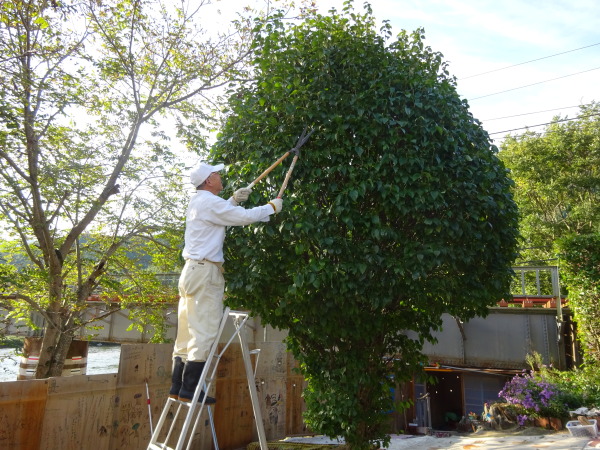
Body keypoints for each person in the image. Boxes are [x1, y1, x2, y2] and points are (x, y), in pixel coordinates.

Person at [170, 162, 283, 403]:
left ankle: (177, 386)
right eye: (217, 174)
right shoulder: (209, 203)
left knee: (186, 329)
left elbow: (220, 215)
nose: (221, 176)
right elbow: (243, 218)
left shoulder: (199, 201)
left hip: (191, 270)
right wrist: (271, 207)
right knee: (204, 330)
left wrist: (232, 199)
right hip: (205, 272)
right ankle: (190, 389)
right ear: (209, 180)